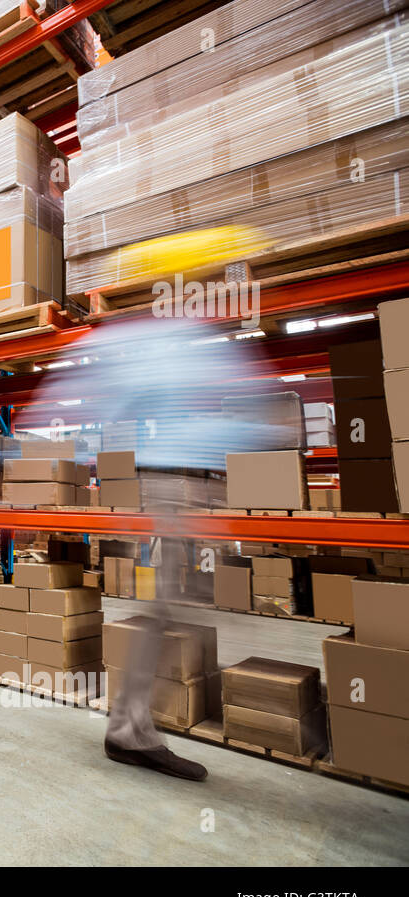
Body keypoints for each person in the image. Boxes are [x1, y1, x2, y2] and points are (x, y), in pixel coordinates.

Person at [32, 316, 281, 781]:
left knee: (174, 603)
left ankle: (131, 725)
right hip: (173, 478)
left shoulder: (182, 341)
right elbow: (88, 389)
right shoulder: (155, 340)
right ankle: (129, 729)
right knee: (170, 603)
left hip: (187, 476)